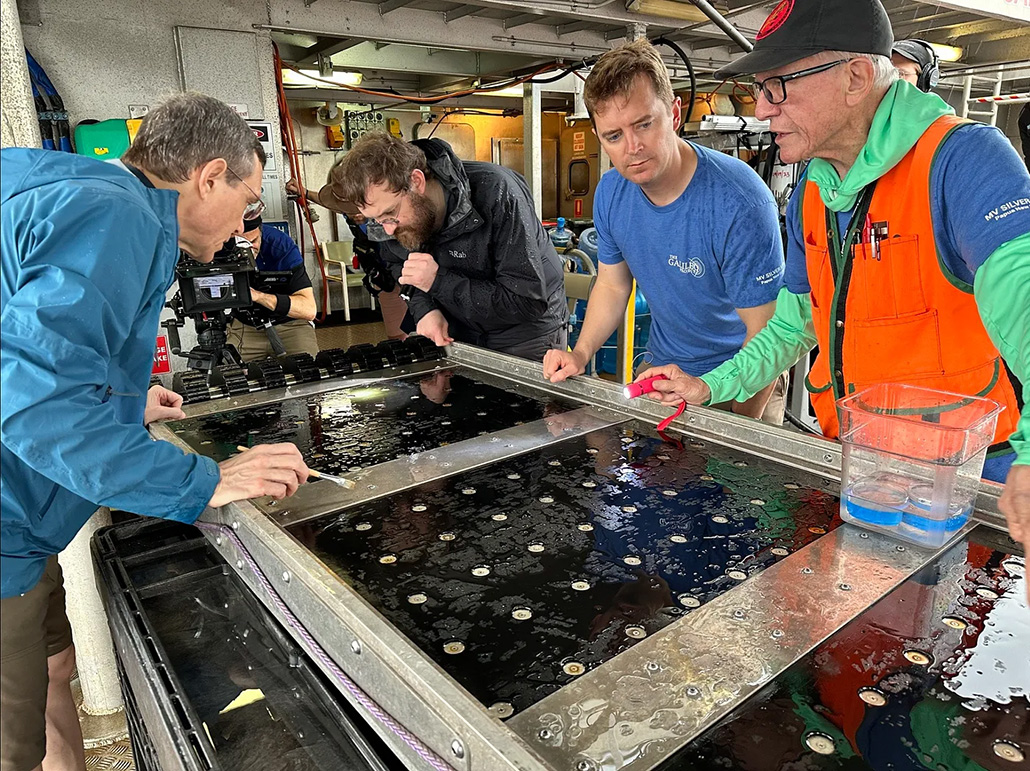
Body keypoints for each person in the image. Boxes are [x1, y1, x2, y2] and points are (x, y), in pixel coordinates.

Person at [633, 0, 1030, 575]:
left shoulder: (962, 162)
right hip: (858, 469)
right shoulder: (813, 193)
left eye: (778, 86)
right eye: (759, 89)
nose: (763, 108)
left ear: (855, 75)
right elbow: (795, 326)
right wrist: (709, 386)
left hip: (962, 489)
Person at [1, 93, 310, 771]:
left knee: (56, 669)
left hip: (22, 525)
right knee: (8, 743)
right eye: (246, 199)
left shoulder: (76, 186)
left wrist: (121, 398)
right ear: (208, 177)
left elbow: (25, 337)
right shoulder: (118, 218)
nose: (242, 226)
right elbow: (32, 406)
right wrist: (204, 479)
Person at [542, 39, 788, 424]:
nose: (633, 147)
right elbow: (612, 284)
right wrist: (580, 353)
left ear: (673, 114)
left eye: (644, 124)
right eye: (614, 136)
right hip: (663, 377)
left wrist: (740, 430)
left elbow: (767, 337)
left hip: (742, 383)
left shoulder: (739, 202)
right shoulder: (611, 192)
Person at [327, 133, 570, 361]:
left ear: (416, 180)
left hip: (524, 333)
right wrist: (424, 309)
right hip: (459, 325)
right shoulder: (389, 218)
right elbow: (399, 263)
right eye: (378, 220)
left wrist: (438, 282)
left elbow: (526, 301)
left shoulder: (497, 192)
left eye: (390, 214)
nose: (388, 230)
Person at [286, 177, 409, 341]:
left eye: (361, 206)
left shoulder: (392, 210)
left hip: (411, 273)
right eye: (350, 208)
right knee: (397, 336)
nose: (356, 213)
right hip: (385, 278)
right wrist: (305, 192)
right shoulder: (348, 211)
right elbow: (327, 201)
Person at [227, 216, 320, 361]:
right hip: (246, 326)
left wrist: (258, 296)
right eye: (241, 243)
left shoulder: (280, 245)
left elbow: (309, 310)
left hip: (290, 324)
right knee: (227, 376)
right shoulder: (218, 246)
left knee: (309, 370)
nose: (249, 250)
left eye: (253, 241)